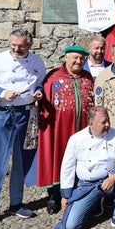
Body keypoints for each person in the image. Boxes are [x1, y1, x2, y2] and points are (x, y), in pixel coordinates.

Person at [52, 107, 115, 229]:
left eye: (108, 121)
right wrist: (65, 195)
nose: (107, 124)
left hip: (110, 181)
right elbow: (67, 167)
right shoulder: (76, 139)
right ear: (91, 124)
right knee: (70, 226)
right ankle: (95, 203)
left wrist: (113, 177)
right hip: (87, 185)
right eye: (103, 122)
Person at [0, 29, 45, 220]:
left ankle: (16, 203)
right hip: (2, 114)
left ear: (30, 45)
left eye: (21, 46)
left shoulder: (37, 62)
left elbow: (38, 83)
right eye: (13, 45)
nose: (16, 49)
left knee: (21, 162)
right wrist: (1, 93)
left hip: (25, 115)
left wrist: (39, 92)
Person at [38, 45, 95, 214]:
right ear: (66, 58)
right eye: (75, 58)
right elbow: (44, 106)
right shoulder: (53, 77)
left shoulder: (87, 77)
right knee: (59, 159)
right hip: (59, 130)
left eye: (81, 59)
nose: (78, 61)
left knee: (80, 161)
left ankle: (78, 194)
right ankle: (54, 196)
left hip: (82, 128)